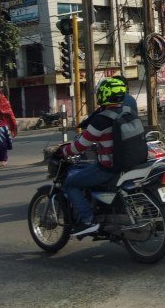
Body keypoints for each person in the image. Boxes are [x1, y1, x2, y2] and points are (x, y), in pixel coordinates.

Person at [61, 77, 132, 238]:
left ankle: (88, 220)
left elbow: (80, 146)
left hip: (109, 167)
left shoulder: (102, 119)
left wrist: (64, 152)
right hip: (130, 164)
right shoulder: (128, 112)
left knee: (71, 183)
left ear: (104, 94)